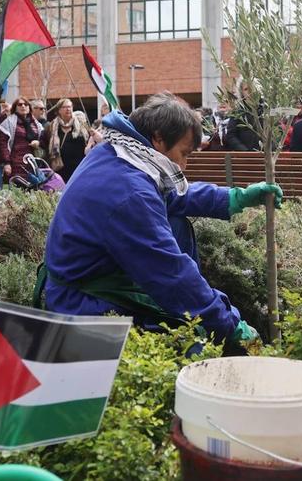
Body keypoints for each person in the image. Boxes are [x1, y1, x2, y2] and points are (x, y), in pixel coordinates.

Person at [39, 92, 281, 346]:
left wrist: (235, 198)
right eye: (184, 153)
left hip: (93, 278)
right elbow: (172, 274)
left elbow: (172, 196)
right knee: (192, 345)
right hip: (84, 305)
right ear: (158, 138)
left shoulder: (118, 152)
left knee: (176, 223)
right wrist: (227, 325)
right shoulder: (130, 192)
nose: (185, 165)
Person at [39, 98, 93, 183]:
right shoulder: (51, 127)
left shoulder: (82, 125)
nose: (68, 109)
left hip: (79, 167)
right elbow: (43, 144)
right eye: (65, 107)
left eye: (70, 107)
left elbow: (90, 139)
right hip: (60, 168)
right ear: (59, 110)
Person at [0, 97, 43, 183]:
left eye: (25, 104)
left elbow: (44, 140)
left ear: (29, 107)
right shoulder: (9, 122)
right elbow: (3, 144)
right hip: (15, 163)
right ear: (15, 108)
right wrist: (7, 163)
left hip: (33, 163)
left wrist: (38, 143)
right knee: (17, 190)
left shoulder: (36, 124)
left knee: (33, 190)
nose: (23, 106)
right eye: (20, 104)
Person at [225, 78, 262, 151]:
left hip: (267, 156)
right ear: (241, 92)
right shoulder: (237, 111)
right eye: (246, 89)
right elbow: (231, 135)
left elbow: (277, 130)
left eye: (252, 88)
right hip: (245, 157)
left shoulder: (266, 108)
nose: (250, 92)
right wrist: (245, 151)